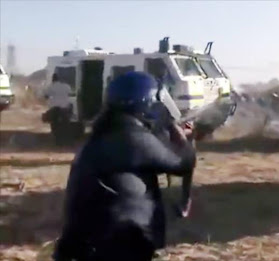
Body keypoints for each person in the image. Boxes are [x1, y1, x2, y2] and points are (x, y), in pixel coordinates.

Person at [52, 72, 196, 261]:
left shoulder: (109, 130)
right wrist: (180, 136)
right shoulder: (133, 138)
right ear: (145, 103)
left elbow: (145, 157)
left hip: (88, 243)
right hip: (116, 246)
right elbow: (183, 163)